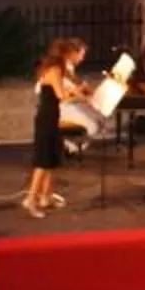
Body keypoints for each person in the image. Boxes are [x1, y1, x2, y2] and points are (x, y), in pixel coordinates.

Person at [23, 39, 87, 217]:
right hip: (45, 119)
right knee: (42, 162)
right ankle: (31, 200)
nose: (80, 58)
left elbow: (71, 83)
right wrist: (78, 94)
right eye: (78, 54)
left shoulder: (60, 69)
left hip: (52, 118)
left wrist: (80, 89)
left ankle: (45, 197)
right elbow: (61, 95)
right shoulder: (54, 70)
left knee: (51, 159)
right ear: (68, 54)